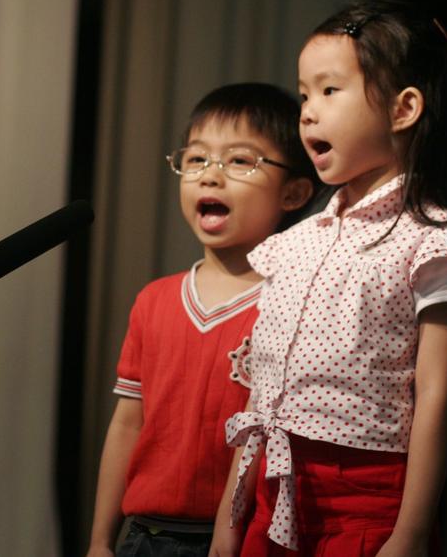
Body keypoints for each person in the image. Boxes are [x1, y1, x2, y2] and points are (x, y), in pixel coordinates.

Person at [210, 0, 447, 557]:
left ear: (403, 109)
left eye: (329, 90)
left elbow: (435, 395)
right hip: (272, 493)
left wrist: (410, 534)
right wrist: (229, 519)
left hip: (366, 504)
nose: (308, 112)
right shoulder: (294, 243)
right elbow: (261, 397)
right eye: (304, 94)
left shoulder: (434, 241)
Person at [86, 83, 319, 557]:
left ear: (293, 193)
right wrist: (99, 541)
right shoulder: (153, 300)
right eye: (195, 159)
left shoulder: (289, 304)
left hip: (243, 538)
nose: (210, 176)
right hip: (145, 536)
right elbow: (128, 424)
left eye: (239, 160)